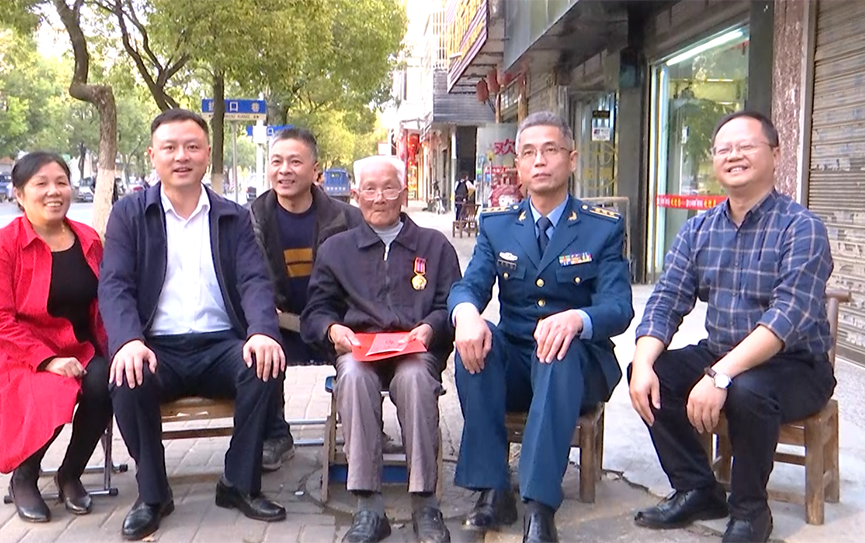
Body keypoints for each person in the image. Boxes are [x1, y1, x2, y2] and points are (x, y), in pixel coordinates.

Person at [628, 111, 835, 543]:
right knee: (652, 373)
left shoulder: (802, 228)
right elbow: (667, 299)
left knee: (747, 390)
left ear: (775, 154)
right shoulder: (698, 229)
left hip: (795, 365)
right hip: (720, 352)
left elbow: (787, 316)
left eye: (746, 146)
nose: (734, 155)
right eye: (724, 149)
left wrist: (720, 375)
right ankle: (697, 489)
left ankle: (750, 511)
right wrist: (643, 362)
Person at [99, 108, 288, 541]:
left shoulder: (232, 216)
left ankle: (239, 483)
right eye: (169, 147)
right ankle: (153, 495)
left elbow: (255, 280)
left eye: (191, 147)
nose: (181, 156)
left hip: (220, 344)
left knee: (265, 364)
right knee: (125, 376)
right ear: (153, 156)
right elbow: (115, 285)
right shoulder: (129, 214)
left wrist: (261, 330)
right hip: (155, 347)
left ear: (207, 153)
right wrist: (127, 340)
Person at [448, 111, 633, 543]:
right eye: (529, 152)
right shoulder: (497, 226)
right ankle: (493, 490)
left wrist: (577, 319)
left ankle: (540, 506)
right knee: (476, 344)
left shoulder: (601, 228)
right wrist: (467, 315)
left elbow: (619, 307)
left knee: (558, 350)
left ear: (572, 159)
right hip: (516, 360)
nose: (540, 160)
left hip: (577, 365)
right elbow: (469, 285)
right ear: (518, 166)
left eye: (551, 150)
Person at [302, 155, 462, 543]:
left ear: (403, 193)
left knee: (415, 380)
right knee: (354, 377)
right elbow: (316, 312)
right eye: (370, 189)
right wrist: (333, 329)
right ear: (355, 194)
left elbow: (451, 303)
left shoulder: (434, 245)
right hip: (360, 349)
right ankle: (368, 506)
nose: (379, 198)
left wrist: (431, 327)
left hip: (416, 349)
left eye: (389, 188)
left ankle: (425, 503)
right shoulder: (336, 249)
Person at [0, 152, 113, 523]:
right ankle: (25, 476)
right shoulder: (2, 245)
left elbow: (104, 303)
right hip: (19, 353)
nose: (54, 191)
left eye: (61, 182)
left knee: (108, 380)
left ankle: (70, 473)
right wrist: (47, 360)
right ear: (20, 194)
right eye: (41, 184)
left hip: (80, 348)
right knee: (53, 390)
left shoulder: (87, 238)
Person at [248, 127, 364, 471]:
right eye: (276, 162)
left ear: (316, 171)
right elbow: (241, 276)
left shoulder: (348, 219)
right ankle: (274, 434)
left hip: (334, 323)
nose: (284, 170)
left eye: (295, 162)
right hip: (278, 325)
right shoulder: (249, 219)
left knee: (367, 344)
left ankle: (364, 426)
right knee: (255, 345)